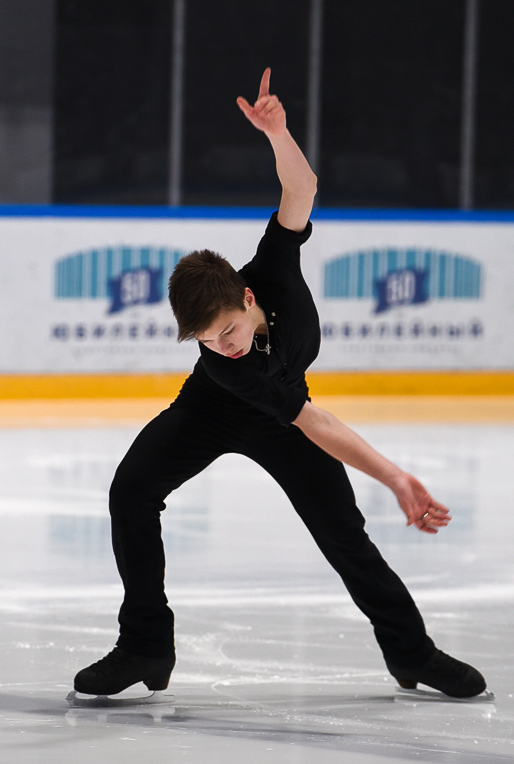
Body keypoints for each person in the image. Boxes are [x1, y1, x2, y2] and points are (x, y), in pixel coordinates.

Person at [74, 68, 486, 699]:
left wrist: (277, 132)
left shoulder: (274, 267)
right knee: (130, 492)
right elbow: (310, 420)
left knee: (345, 535)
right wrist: (396, 477)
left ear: (246, 294)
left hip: (286, 421)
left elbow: (303, 187)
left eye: (229, 330)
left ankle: (413, 655)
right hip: (211, 412)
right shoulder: (222, 365)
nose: (224, 344)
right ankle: (145, 646)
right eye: (208, 340)